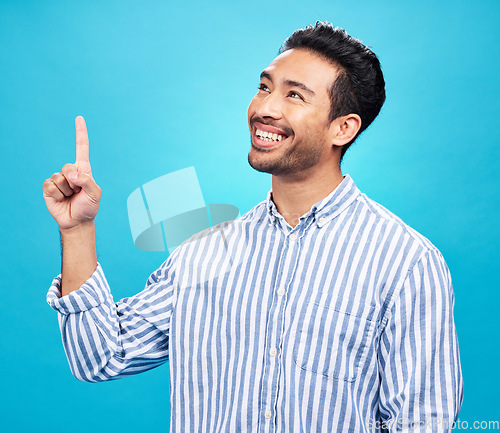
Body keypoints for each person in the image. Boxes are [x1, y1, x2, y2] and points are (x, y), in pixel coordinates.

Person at [43, 22, 463, 432]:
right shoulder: (202, 254)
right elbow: (99, 357)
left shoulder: (406, 262)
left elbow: (421, 422)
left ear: (343, 127)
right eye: (265, 87)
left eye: (294, 95)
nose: (265, 108)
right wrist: (77, 231)